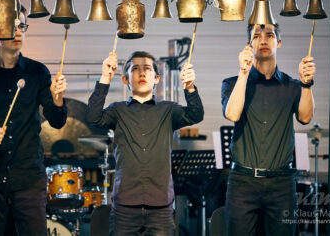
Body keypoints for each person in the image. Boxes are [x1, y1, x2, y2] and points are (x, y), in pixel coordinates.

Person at [0, 5, 68, 235]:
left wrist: (57, 100)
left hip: (28, 177)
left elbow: (57, 121)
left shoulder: (38, 73)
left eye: (22, 26)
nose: (18, 32)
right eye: (12, 26)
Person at [86, 51, 204, 235]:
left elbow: (195, 114)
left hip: (161, 207)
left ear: (156, 78)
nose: (141, 73)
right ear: (125, 79)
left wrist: (189, 86)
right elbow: (93, 118)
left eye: (147, 68)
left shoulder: (168, 110)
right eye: (135, 69)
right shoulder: (117, 111)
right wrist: (104, 78)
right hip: (125, 206)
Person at [221, 23, 315, 235]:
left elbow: (305, 117)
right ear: (249, 44)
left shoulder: (292, 86)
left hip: (281, 184)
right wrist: (243, 73)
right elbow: (233, 114)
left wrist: (306, 84)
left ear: (278, 42)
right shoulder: (232, 83)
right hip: (242, 182)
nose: (263, 40)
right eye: (256, 36)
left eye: (270, 35)